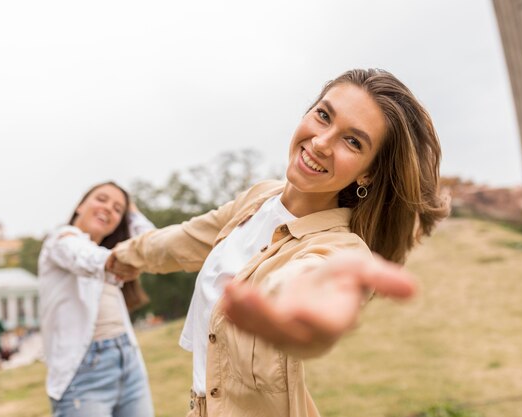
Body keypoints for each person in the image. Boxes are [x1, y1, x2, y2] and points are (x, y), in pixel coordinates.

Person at [108, 68, 449, 417]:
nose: (320, 142)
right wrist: (122, 256)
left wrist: (304, 303)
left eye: (353, 141)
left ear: (368, 172)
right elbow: (186, 239)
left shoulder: (340, 250)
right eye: (323, 115)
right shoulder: (258, 199)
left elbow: (305, 280)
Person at [38, 181, 156, 417]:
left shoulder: (108, 250)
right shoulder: (60, 241)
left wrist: (133, 211)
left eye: (117, 209)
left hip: (129, 361)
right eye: (101, 199)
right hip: (84, 372)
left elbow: (154, 244)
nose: (108, 209)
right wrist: (116, 263)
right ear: (80, 205)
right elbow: (81, 255)